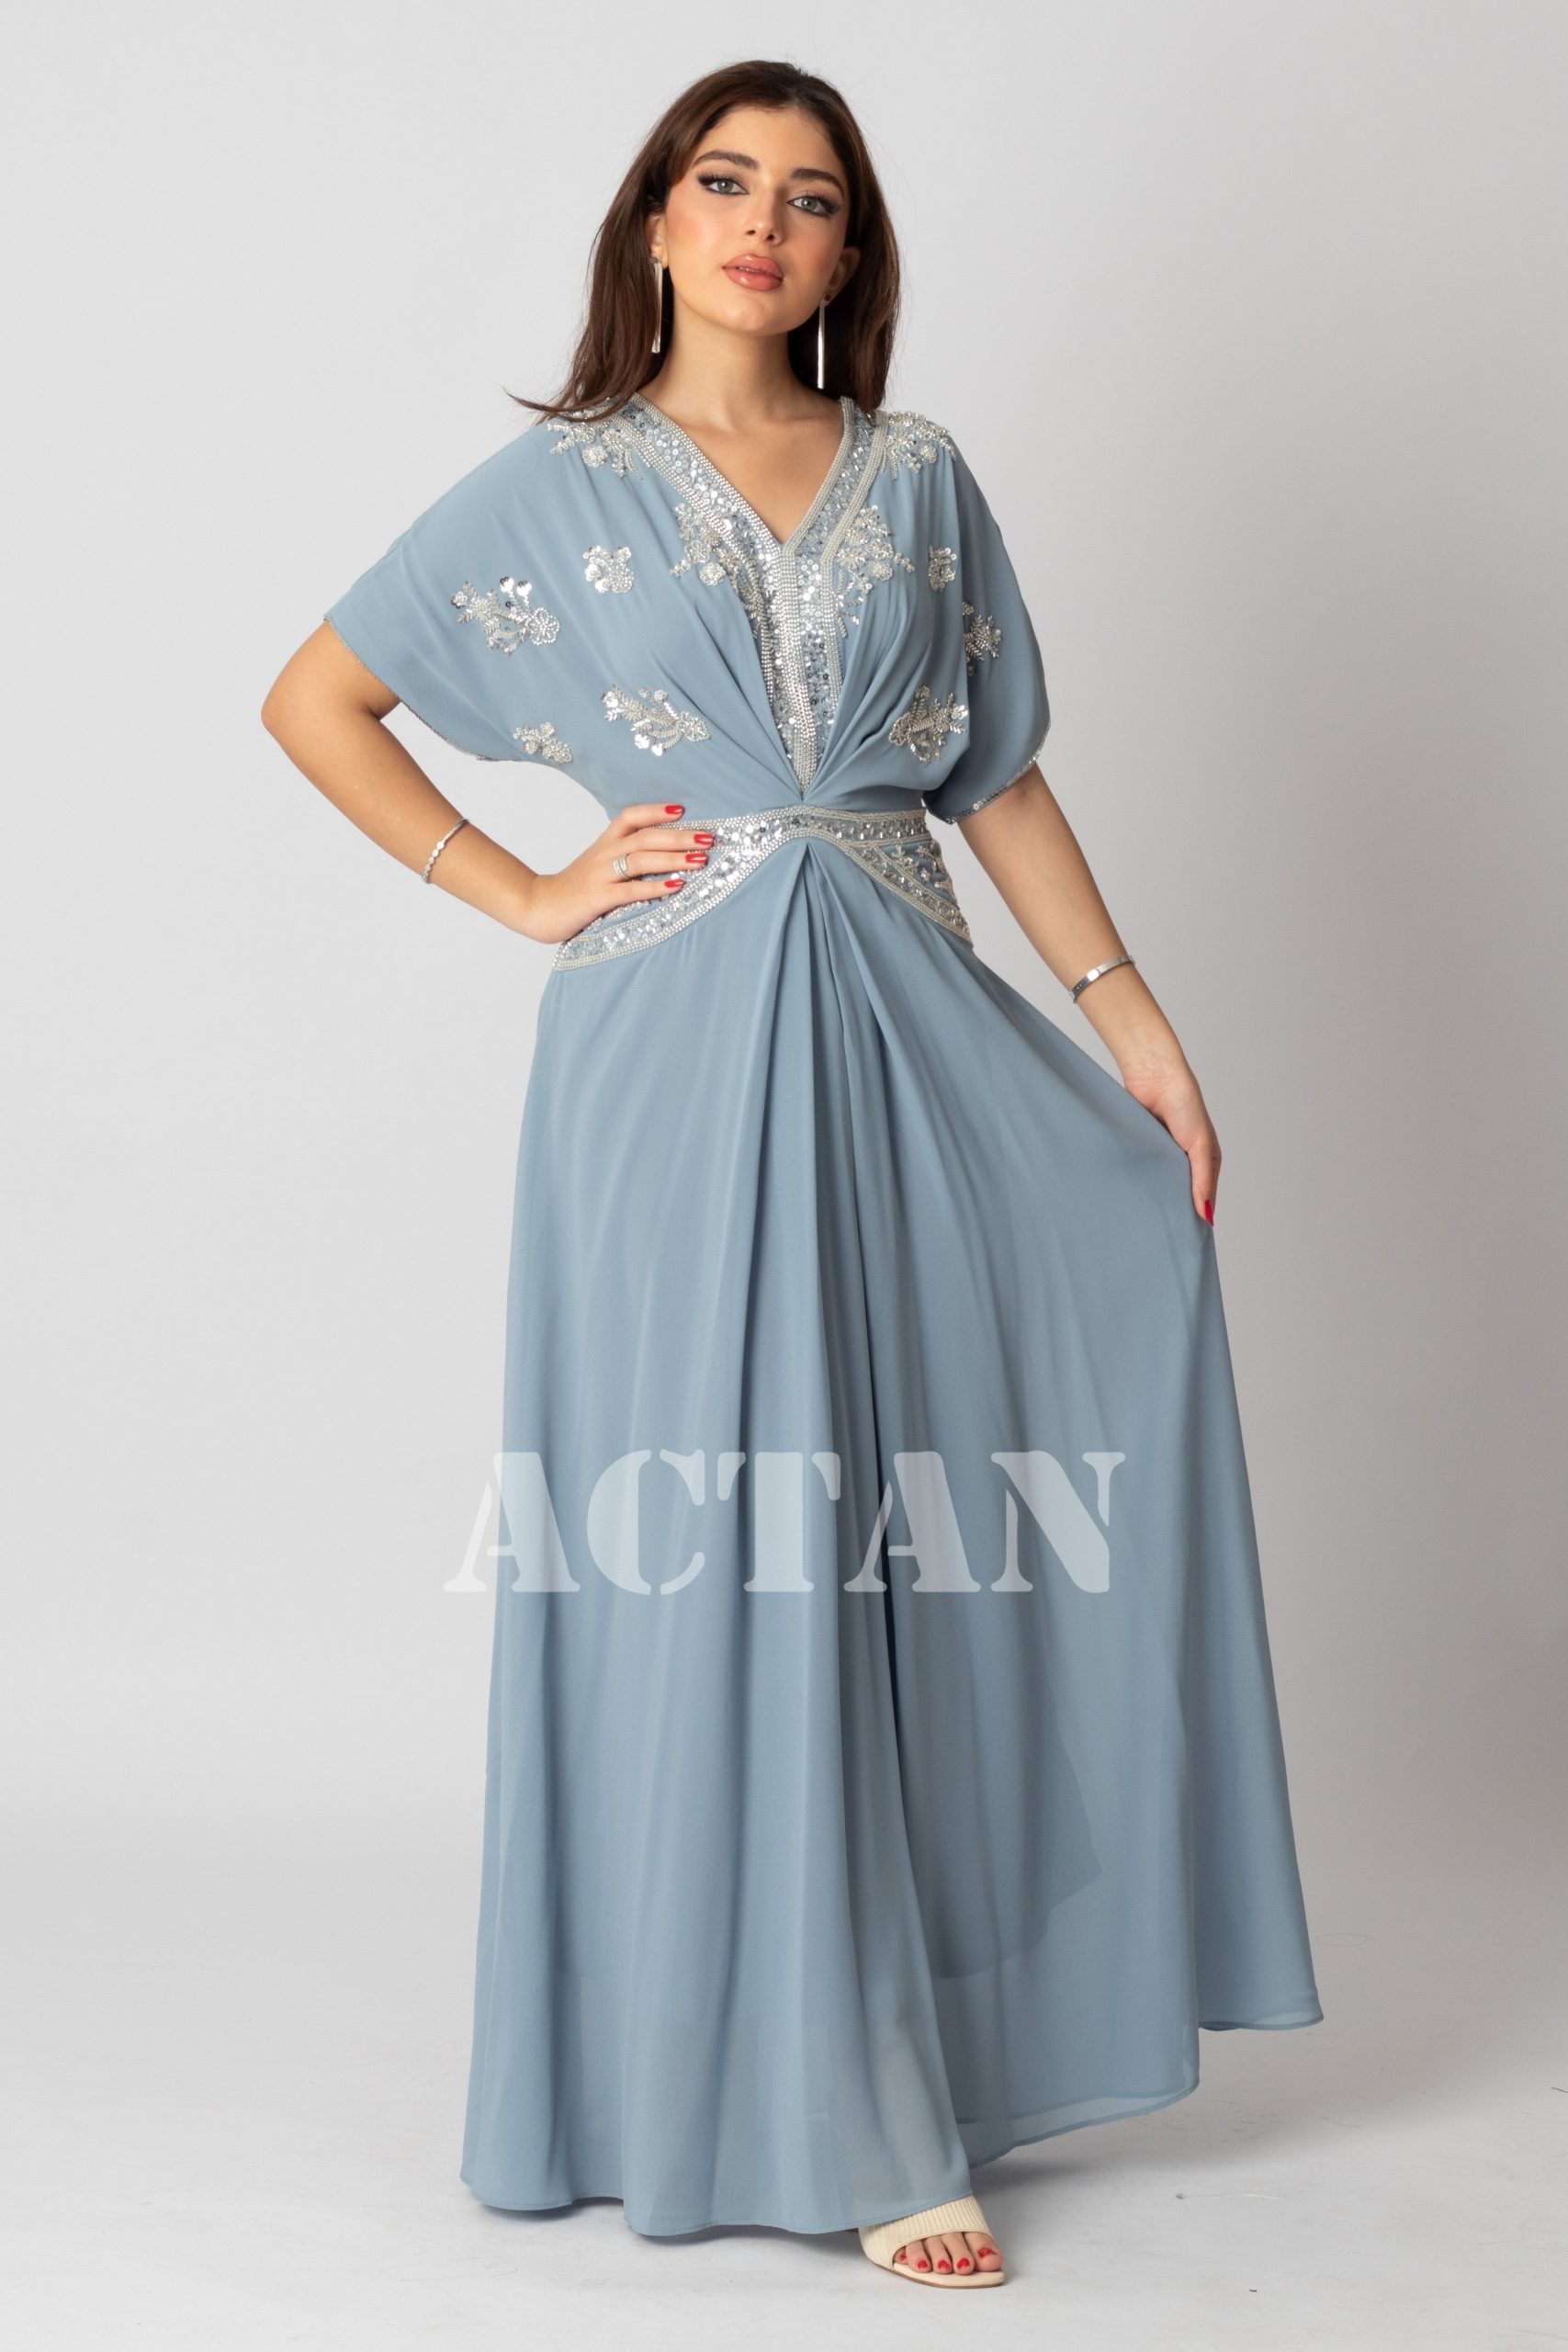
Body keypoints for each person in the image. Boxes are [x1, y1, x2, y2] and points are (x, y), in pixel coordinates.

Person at [261, 58, 1323, 2290]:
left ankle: (898, 2038)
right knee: (711, 1542)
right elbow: (316, 697)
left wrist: (1129, 1017)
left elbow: (993, 776)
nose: (762, 223)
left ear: (851, 248)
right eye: (723, 181)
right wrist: (517, 885)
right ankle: (784, 2089)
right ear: (653, 220)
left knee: (907, 1515)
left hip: (911, 1035)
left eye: (810, 195)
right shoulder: (553, 486)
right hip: (664, 1059)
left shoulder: (915, 474)